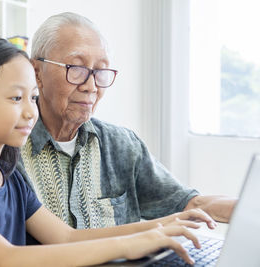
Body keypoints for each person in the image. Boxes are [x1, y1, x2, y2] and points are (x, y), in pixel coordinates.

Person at [0, 34, 214, 266]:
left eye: (33, 97)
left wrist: (159, 227)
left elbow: (66, 237)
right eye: (16, 99)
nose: (31, 112)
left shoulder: (9, 177)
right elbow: (3, 259)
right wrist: (126, 246)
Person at [16, 11, 236, 233]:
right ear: (37, 73)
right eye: (77, 68)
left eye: (100, 71)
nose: (91, 86)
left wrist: (247, 208)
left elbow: (187, 203)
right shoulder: (10, 150)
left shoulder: (122, 145)